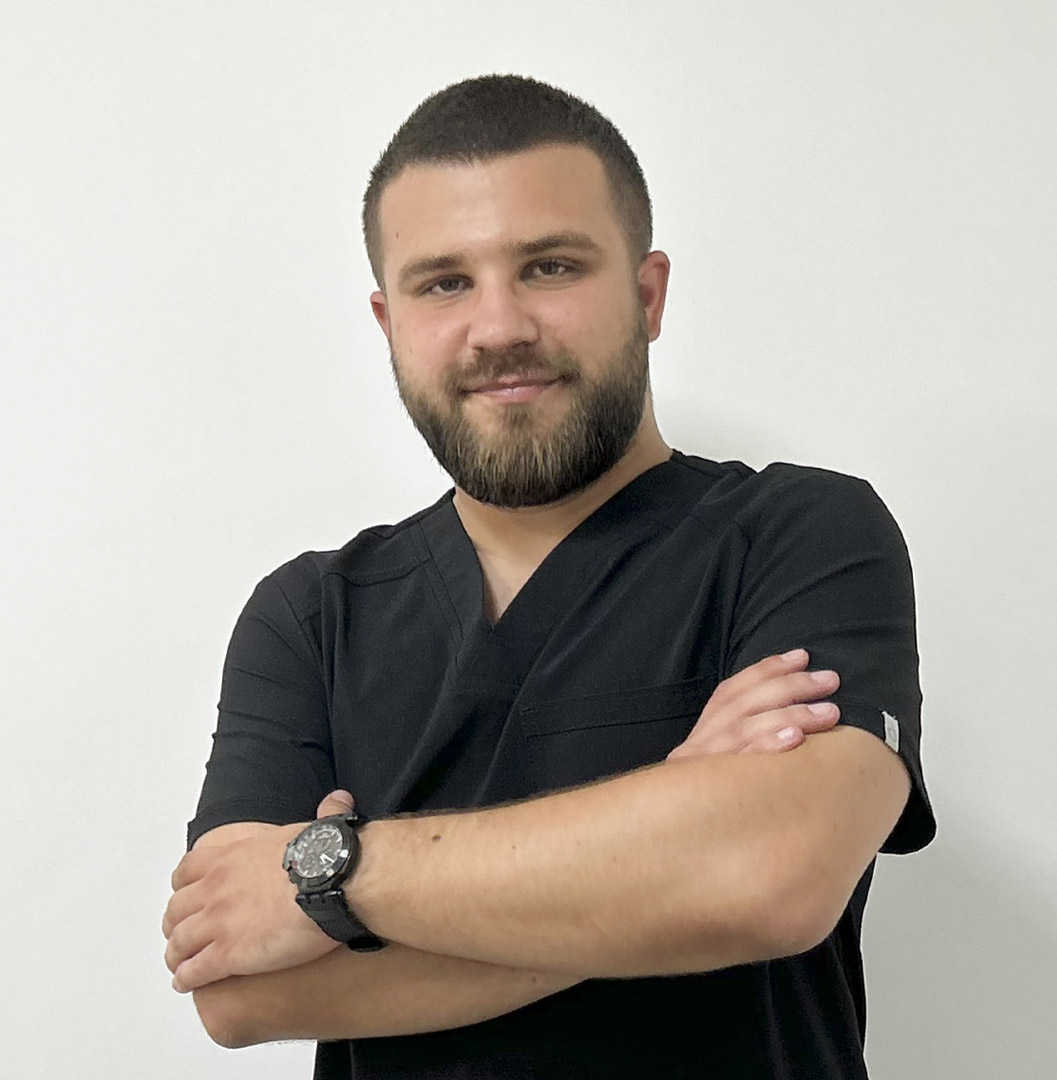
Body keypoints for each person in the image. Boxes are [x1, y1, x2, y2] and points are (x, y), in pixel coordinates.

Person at [162, 74, 935, 1079]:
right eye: (444, 283)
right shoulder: (311, 616)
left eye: (550, 266)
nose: (499, 328)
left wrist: (335, 872)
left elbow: (768, 882)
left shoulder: (799, 537)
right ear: (388, 321)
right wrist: (670, 828)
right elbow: (239, 992)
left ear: (647, 295)